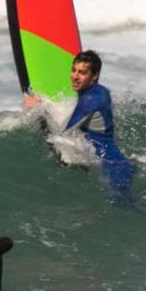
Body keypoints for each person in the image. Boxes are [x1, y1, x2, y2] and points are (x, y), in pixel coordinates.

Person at [25, 50, 134, 199]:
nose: (75, 76)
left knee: (122, 204)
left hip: (110, 166)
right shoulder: (101, 91)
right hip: (117, 162)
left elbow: (61, 135)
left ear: (94, 76)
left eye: (82, 73)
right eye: (74, 70)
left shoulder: (89, 100)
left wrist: (39, 109)